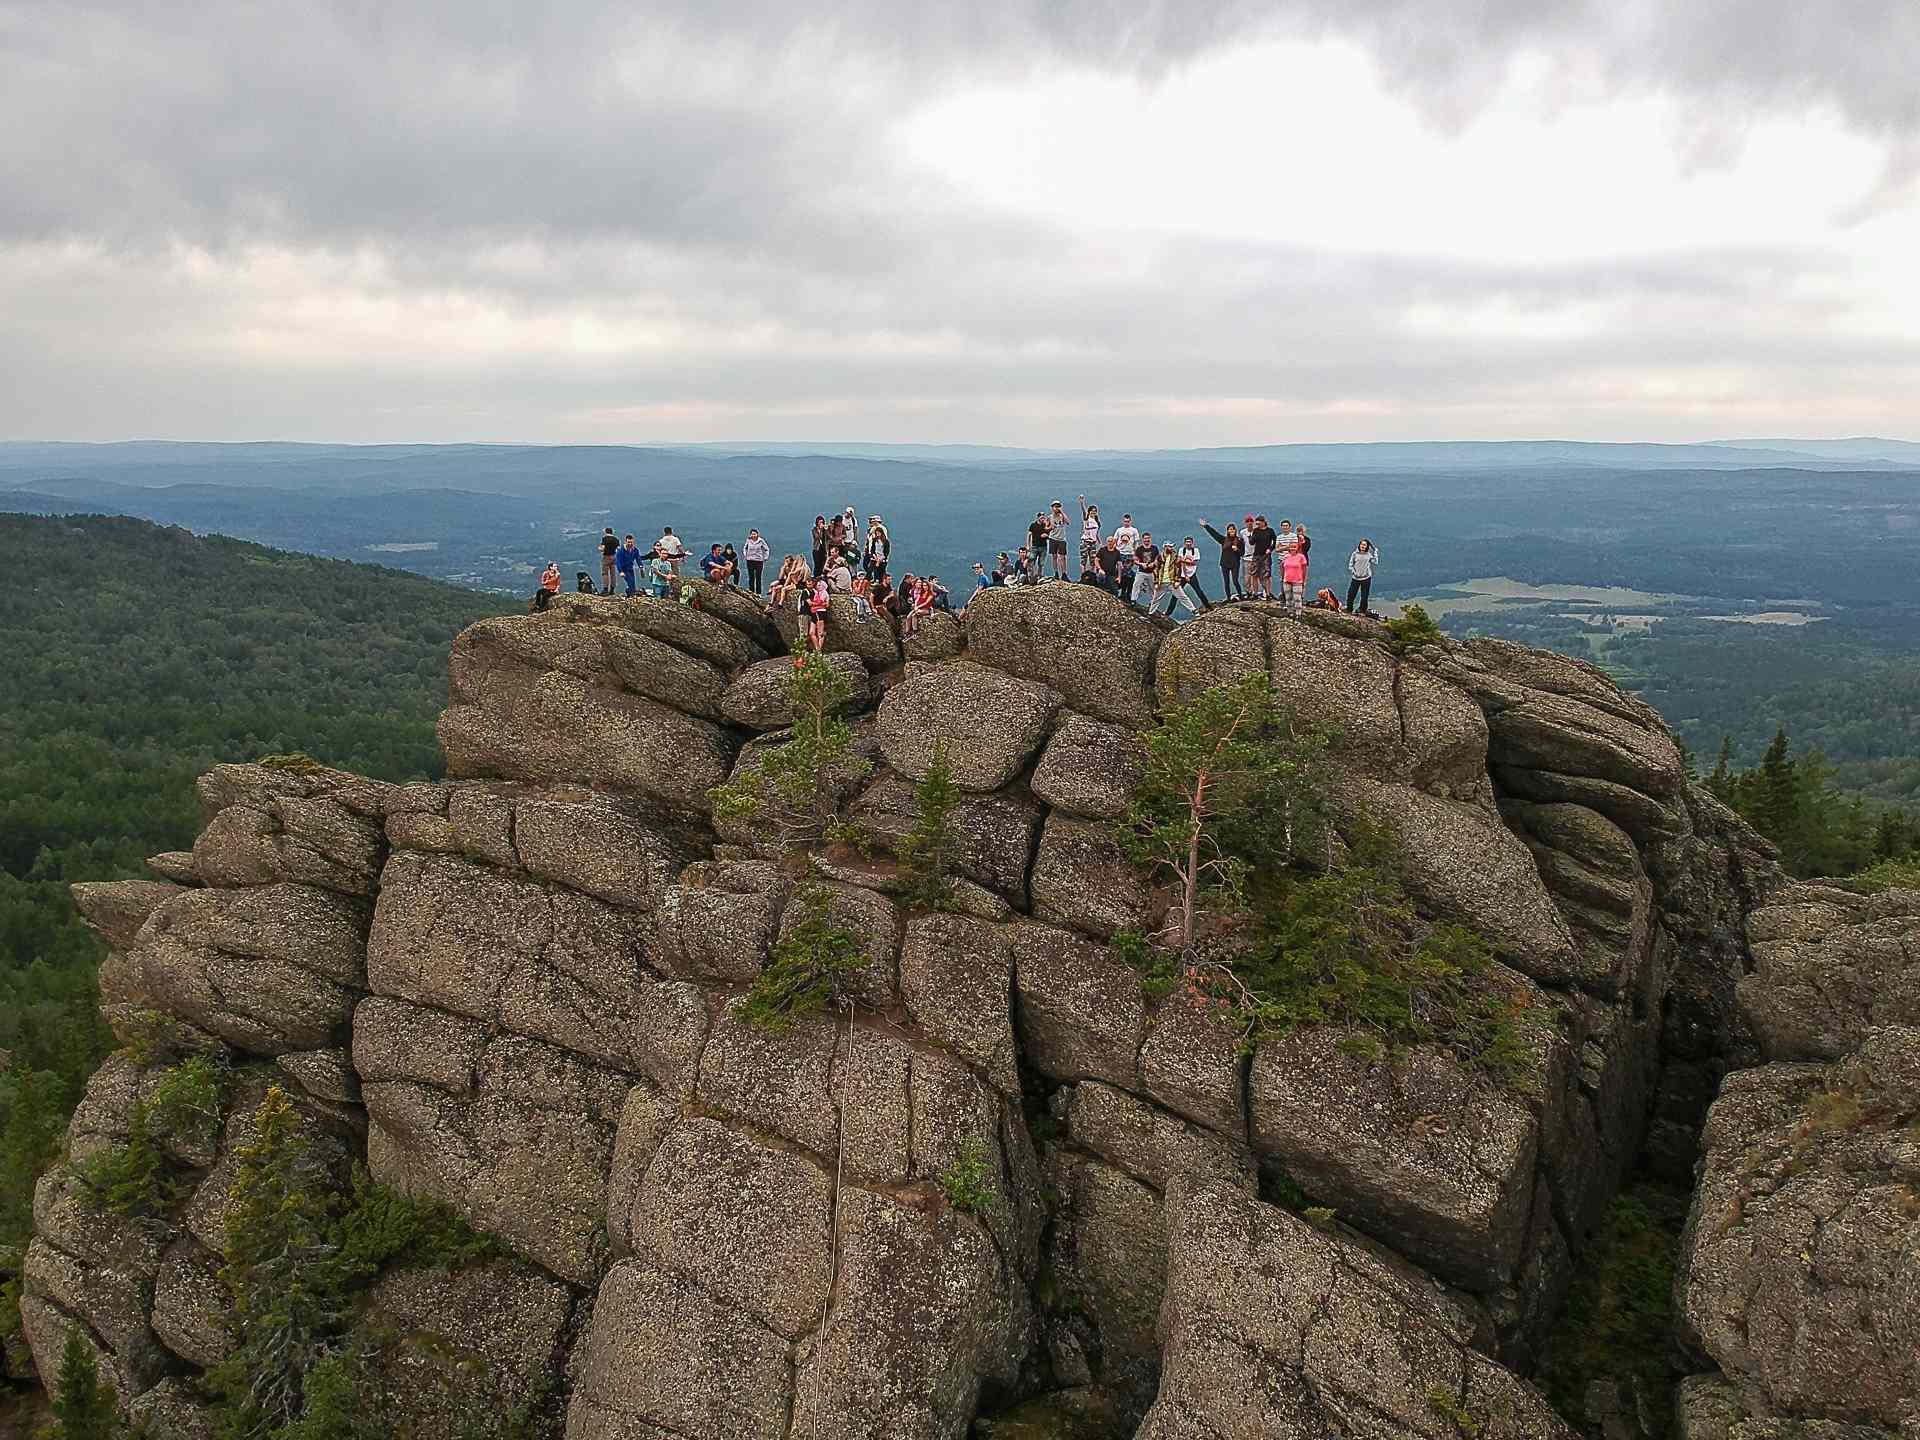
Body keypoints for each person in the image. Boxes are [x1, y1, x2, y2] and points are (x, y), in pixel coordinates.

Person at [1201, 519, 1245, 600]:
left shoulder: (1239, 540)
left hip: (1235, 563)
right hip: (1224, 563)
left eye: (1233, 529)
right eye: (1230, 529)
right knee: (1226, 582)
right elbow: (1215, 534)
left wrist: (1237, 550)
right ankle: (1228, 598)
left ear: (1235, 530)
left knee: (1235, 581)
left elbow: (1242, 553)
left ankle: (1241, 596)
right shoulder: (1224, 540)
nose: (1231, 531)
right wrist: (1206, 526)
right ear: (1227, 531)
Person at [1177, 536, 1211, 611]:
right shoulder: (1181, 550)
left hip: (1192, 574)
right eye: (1187, 542)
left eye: (1190, 542)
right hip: (1183, 575)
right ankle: (1168, 612)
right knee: (1176, 593)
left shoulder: (1195, 550)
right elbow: (1180, 562)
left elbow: (1194, 563)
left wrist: (1183, 560)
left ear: (1192, 543)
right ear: (1184, 543)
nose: (1188, 544)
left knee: (1198, 591)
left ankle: (1208, 606)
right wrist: (1185, 575)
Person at [1347, 539, 1380, 616]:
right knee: (1351, 594)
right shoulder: (1355, 554)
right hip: (1355, 578)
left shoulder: (1368, 555)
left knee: (1364, 595)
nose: (1362, 546)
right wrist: (1354, 572)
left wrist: (1375, 553)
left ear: (1367, 546)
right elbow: (1350, 565)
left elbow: (1375, 562)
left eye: (1364, 545)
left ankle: (1362, 610)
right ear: (1359, 545)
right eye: (1361, 544)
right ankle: (1349, 609)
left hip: (1366, 578)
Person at [1247, 516, 1277, 599]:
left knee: (1266, 575)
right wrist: (1251, 536)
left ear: (1263, 522)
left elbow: (1275, 541)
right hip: (1256, 554)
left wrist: (1270, 549)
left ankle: (1268, 593)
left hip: (1266, 555)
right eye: (1256, 524)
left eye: (1258, 523)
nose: (1257, 525)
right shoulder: (1256, 530)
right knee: (1254, 574)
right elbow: (1252, 543)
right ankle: (1255, 593)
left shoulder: (1270, 531)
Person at [1279, 541, 1309, 617]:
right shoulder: (1286, 556)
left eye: (1294, 547)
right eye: (1291, 547)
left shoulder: (1301, 557)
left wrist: (1304, 580)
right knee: (1288, 598)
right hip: (1287, 580)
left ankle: (1298, 614)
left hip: (1297, 580)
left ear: (1297, 548)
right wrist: (1282, 578)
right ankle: (1290, 613)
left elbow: (1304, 569)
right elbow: (1282, 567)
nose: (1293, 548)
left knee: (1297, 598)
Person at [1046, 500, 1072, 580]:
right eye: (1055, 506)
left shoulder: (1062, 516)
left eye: (1058, 506)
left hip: (1062, 538)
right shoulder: (1050, 517)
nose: (1056, 508)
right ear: (1052, 508)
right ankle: (1056, 572)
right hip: (1053, 538)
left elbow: (1068, 522)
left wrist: (1062, 512)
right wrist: (1050, 527)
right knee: (1054, 556)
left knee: (1062, 557)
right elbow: (1046, 528)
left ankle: (1064, 573)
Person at [806, 571, 831, 650]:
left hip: (820, 612)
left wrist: (817, 604)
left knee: (820, 633)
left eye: (820, 585)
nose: (818, 586)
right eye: (817, 585)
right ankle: (817, 648)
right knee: (811, 632)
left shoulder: (824, 593)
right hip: (814, 612)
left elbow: (826, 605)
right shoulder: (816, 592)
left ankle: (819, 650)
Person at [864, 516, 891, 585]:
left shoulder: (883, 529)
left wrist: (881, 558)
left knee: (879, 569)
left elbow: (886, 550)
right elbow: (870, 541)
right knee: (868, 566)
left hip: (881, 556)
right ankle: (872, 580)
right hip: (873, 553)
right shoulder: (872, 531)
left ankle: (879, 581)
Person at [743, 529, 771, 594]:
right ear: (750, 534)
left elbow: (766, 549)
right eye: (752, 534)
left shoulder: (761, 541)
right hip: (750, 560)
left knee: (758, 577)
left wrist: (765, 557)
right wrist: (745, 555)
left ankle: (758, 593)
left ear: (757, 534)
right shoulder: (748, 540)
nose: (753, 535)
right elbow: (745, 548)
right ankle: (751, 592)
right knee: (751, 577)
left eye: (755, 534)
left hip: (759, 561)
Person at [1078, 495, 1102, 570]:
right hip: (1085, 541)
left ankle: (1092, 575)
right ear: (1089, 511)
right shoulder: (1087, 519)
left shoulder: (1097, 522)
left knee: (1093, 560)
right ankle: (1083, 575)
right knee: (1083, 560)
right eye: (1092, 511)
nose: (1093, 512)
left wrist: (1099, 542)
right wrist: (1082, 502)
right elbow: (1083, 511)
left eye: (1095, 511)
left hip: (1093, 542)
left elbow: (1096, 533)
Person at [599, 527, 618, 594]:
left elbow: (602, 548)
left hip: (606, 556)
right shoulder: (616, 539)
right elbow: (618, 548)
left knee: (605, 573)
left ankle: (605, 589)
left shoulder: (605, 539)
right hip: (614, 556)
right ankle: (612, 589)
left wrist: (600, 548)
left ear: (606, 532)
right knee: (613, 573)